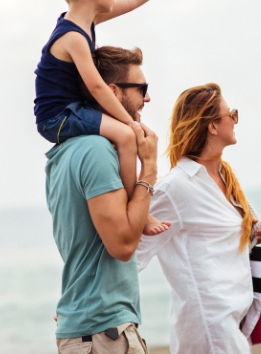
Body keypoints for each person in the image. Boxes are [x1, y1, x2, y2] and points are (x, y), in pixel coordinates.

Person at [34, 0, 199, 200]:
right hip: (57, 118)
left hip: (73, 109)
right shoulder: (73, 37)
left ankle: (132, 195)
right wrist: (129, 123)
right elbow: (98, 88)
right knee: (126, 135)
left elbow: (129, 0)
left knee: (132, 132)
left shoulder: (86, 23)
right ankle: (136, 205)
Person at [45, 45, 169, 354]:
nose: (148, 98)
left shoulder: (65, 153)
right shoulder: (96, 151)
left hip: (95, 329)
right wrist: (150, 168)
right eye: (142, 88)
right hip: (103, 332)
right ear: (112, 91)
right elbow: (123, 245)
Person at [136, 83, 261, 354]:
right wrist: (86, 301)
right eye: (230, 114)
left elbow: (216, 241)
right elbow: (132, 251)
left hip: (233, 321)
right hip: (209, 327)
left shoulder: (224, 178)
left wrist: (256, 233)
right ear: (212, 126)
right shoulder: (177, 187)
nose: (235, 120)